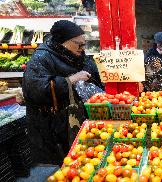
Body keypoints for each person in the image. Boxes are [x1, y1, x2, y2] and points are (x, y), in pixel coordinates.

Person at [22, 20, 103, 165]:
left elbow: (95, 75)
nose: (82, 48)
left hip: (78, 118)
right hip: (53, 124)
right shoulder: (42, 57)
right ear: (63, 42)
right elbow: (35, 89)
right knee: (65, 162)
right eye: (78, 44)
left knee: (83, 159)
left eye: (84, 44)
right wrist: (71, 79)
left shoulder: (78, 55)